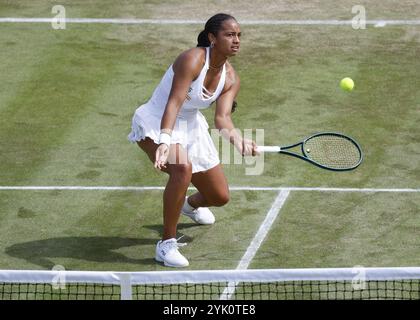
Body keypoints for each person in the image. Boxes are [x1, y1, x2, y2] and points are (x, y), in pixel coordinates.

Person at [128, 13, 259, 267]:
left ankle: (189, 205)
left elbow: (222, 119)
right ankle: (166, 245)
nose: (236, 41)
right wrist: (164, 141)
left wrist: (238, 140)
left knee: (219, 196)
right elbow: (174, 102)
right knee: (182, 168)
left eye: (239, 36)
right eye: (230, 35)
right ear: (212, 38)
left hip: (191, 127)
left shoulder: (231, 78)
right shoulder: (192, 59)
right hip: (157, 121)